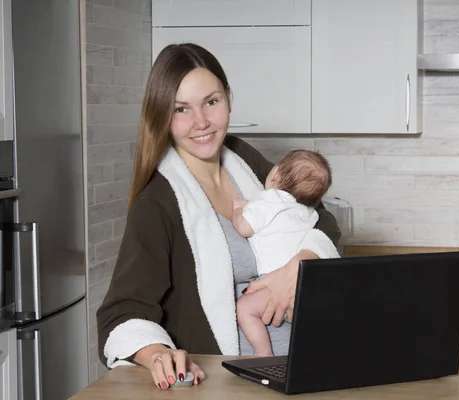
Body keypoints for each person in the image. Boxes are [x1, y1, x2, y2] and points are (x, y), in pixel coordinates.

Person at [95, 43, 341, 391]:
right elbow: (121, 312)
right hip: (232, 382)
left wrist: (299, 267)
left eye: (211, 102)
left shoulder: (242, 157)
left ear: (227, 97)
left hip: (307, 363)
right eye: (181, 109)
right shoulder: (159, 202)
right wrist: (157, 353)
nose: (201, 123)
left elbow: (320, 219)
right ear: (162, 115)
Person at [232, 149, 339, 357]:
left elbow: (244, 227)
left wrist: (238, 210)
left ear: (276, 174)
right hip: (307, 282)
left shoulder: (269, 199)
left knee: (244, 309)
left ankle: (263, 352)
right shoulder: (308, 212)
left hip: (274, 280)